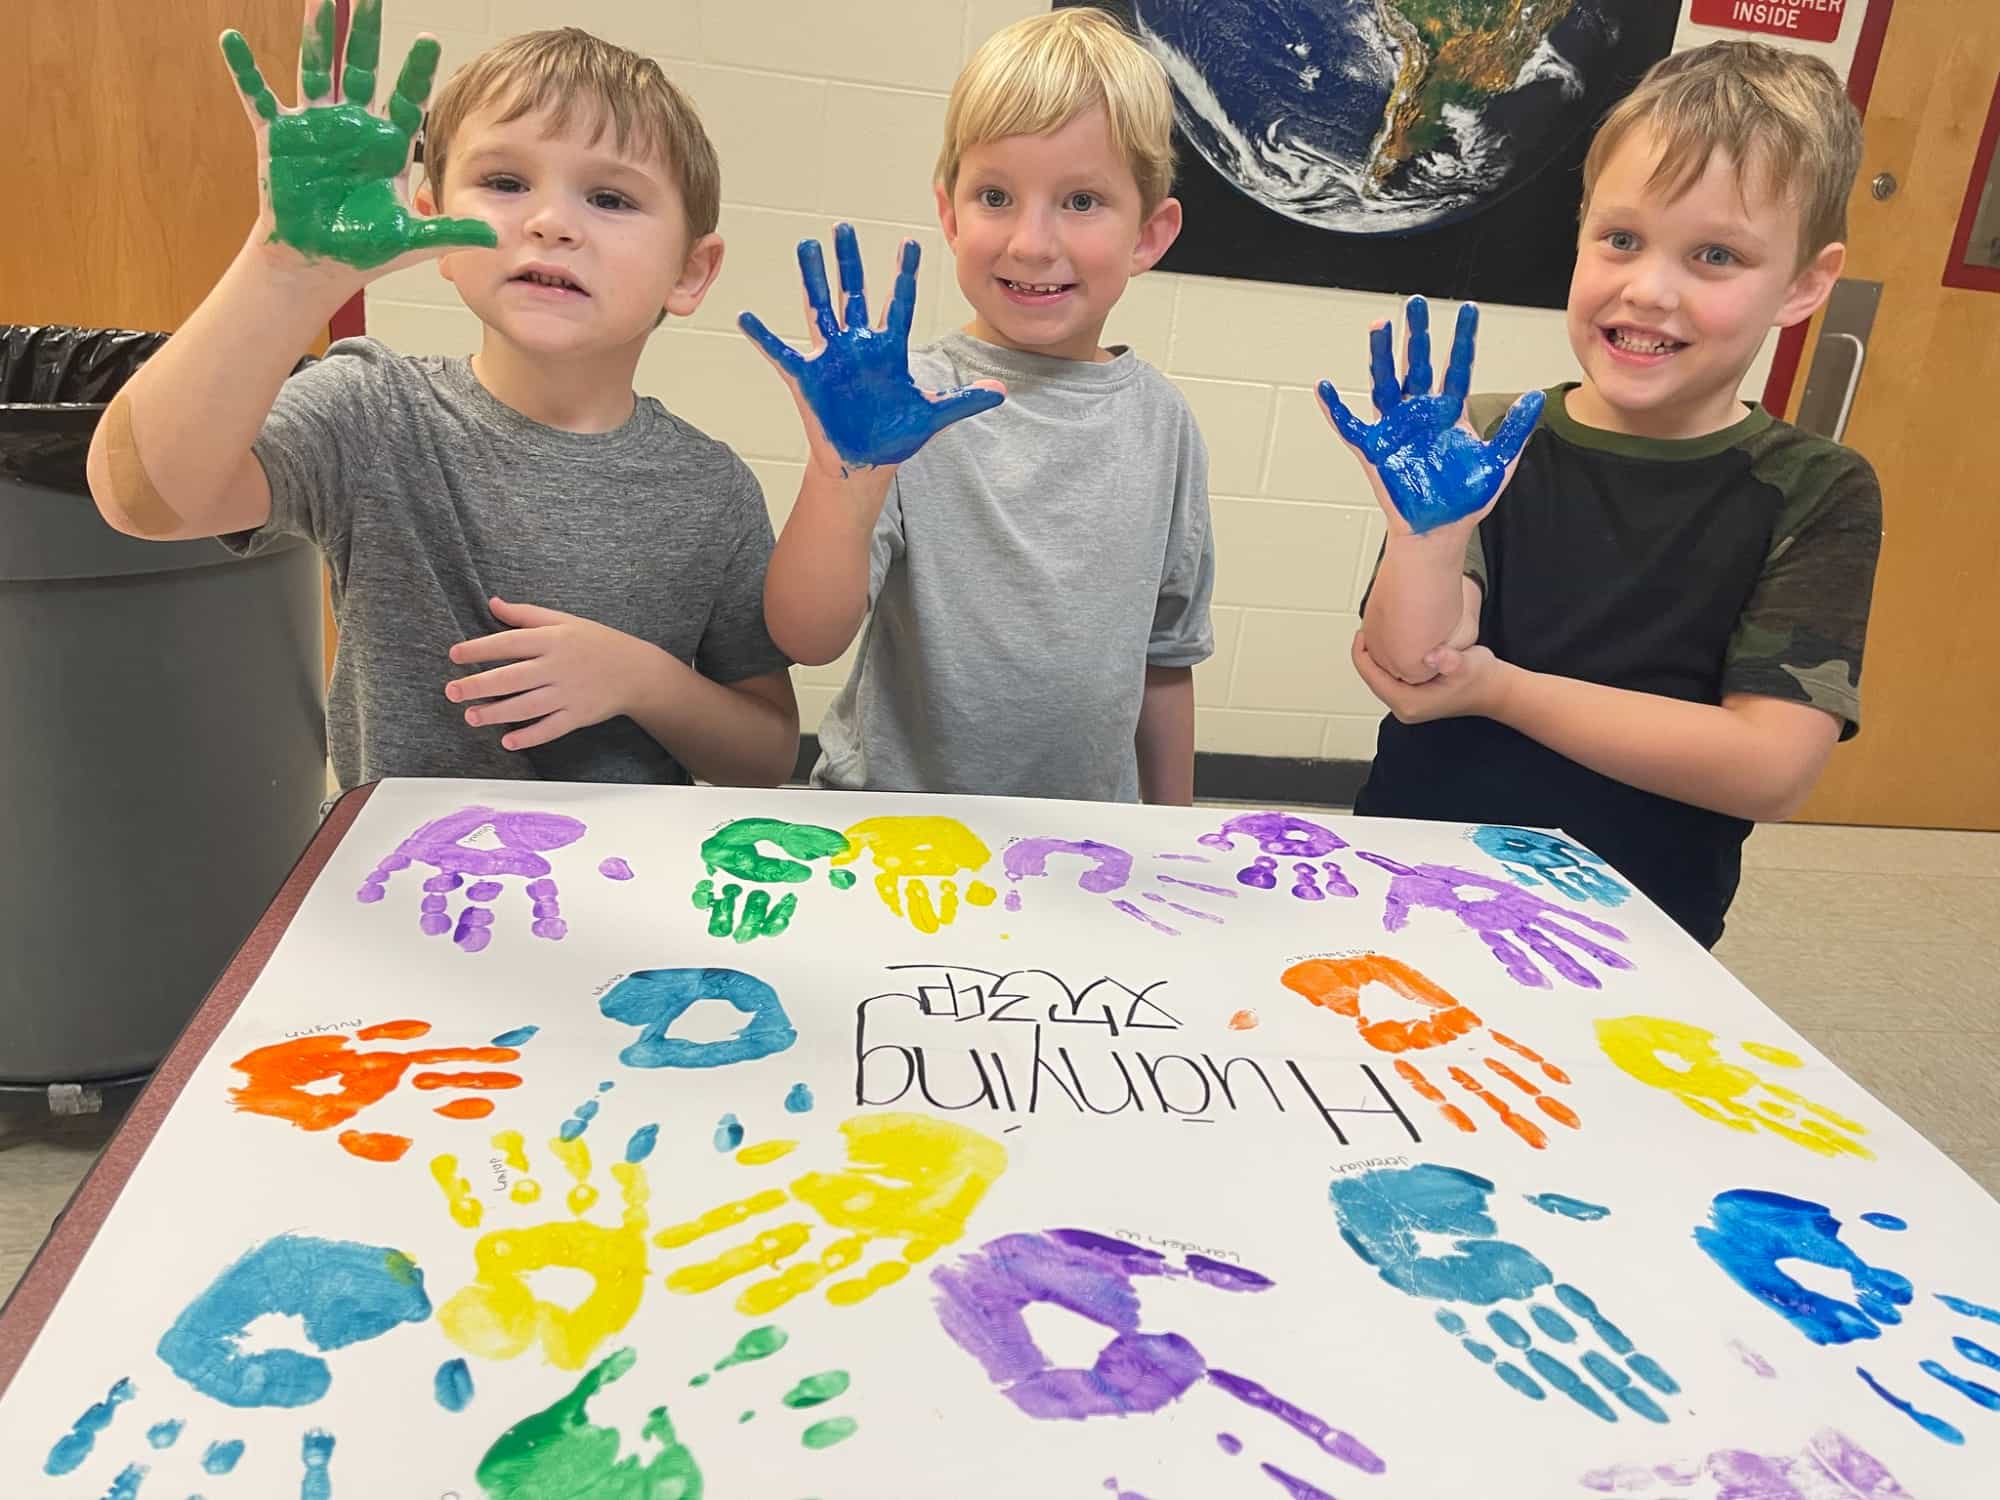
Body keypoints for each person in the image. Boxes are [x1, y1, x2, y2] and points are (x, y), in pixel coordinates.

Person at [87, 10, 797, 790]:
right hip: (399, 890)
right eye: (504, 183)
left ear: (691, 272)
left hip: (620, 889)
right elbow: (145, 501)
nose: (552, 223)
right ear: (433, 225)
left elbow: (764, 757)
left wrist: (643, 680)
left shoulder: (713, 490)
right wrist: (284, 272)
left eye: (611, 198)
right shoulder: (371, 408)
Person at [1331, 41, 1880, 946]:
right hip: (1413, 882)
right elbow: (1412, 667)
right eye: (1621, 239)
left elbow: (1769, 768)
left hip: (1634, 930)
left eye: (1715, 255)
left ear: (1805, 283)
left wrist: (1503, 692)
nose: (1648, 290)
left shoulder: (1814, 490)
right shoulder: (1491, 433)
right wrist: (1427, 539)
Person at [742, 8, 1214, 804]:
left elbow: (1165, 663)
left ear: (1150, 234)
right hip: (892, 825)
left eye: (1082, 201)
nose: (1031, 242)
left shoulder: (1163, 425)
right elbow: (806, 637)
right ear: (950, 213)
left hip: (1080, 846)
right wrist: (841, 477)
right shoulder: (903, 403)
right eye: (996, 195)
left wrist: (1176, 835)